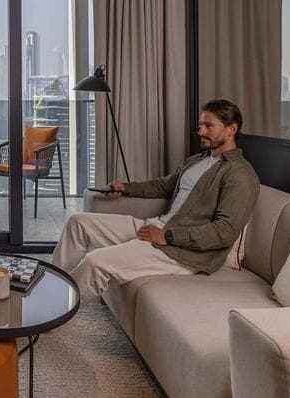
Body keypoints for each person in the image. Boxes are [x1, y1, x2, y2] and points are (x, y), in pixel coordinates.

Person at [52, 99, 259, 304]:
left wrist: (167, 236)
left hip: (182, 252)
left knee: (95, 261)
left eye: (208, 126)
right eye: (200, 125)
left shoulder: (240, 174)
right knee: (78, 222)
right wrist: (125, 188)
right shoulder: (198, 160)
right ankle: (50, 285)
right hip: (158, 227)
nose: (201, 132)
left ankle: (52, 310)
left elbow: (224, 231)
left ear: (231, 129)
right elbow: (164, 186)